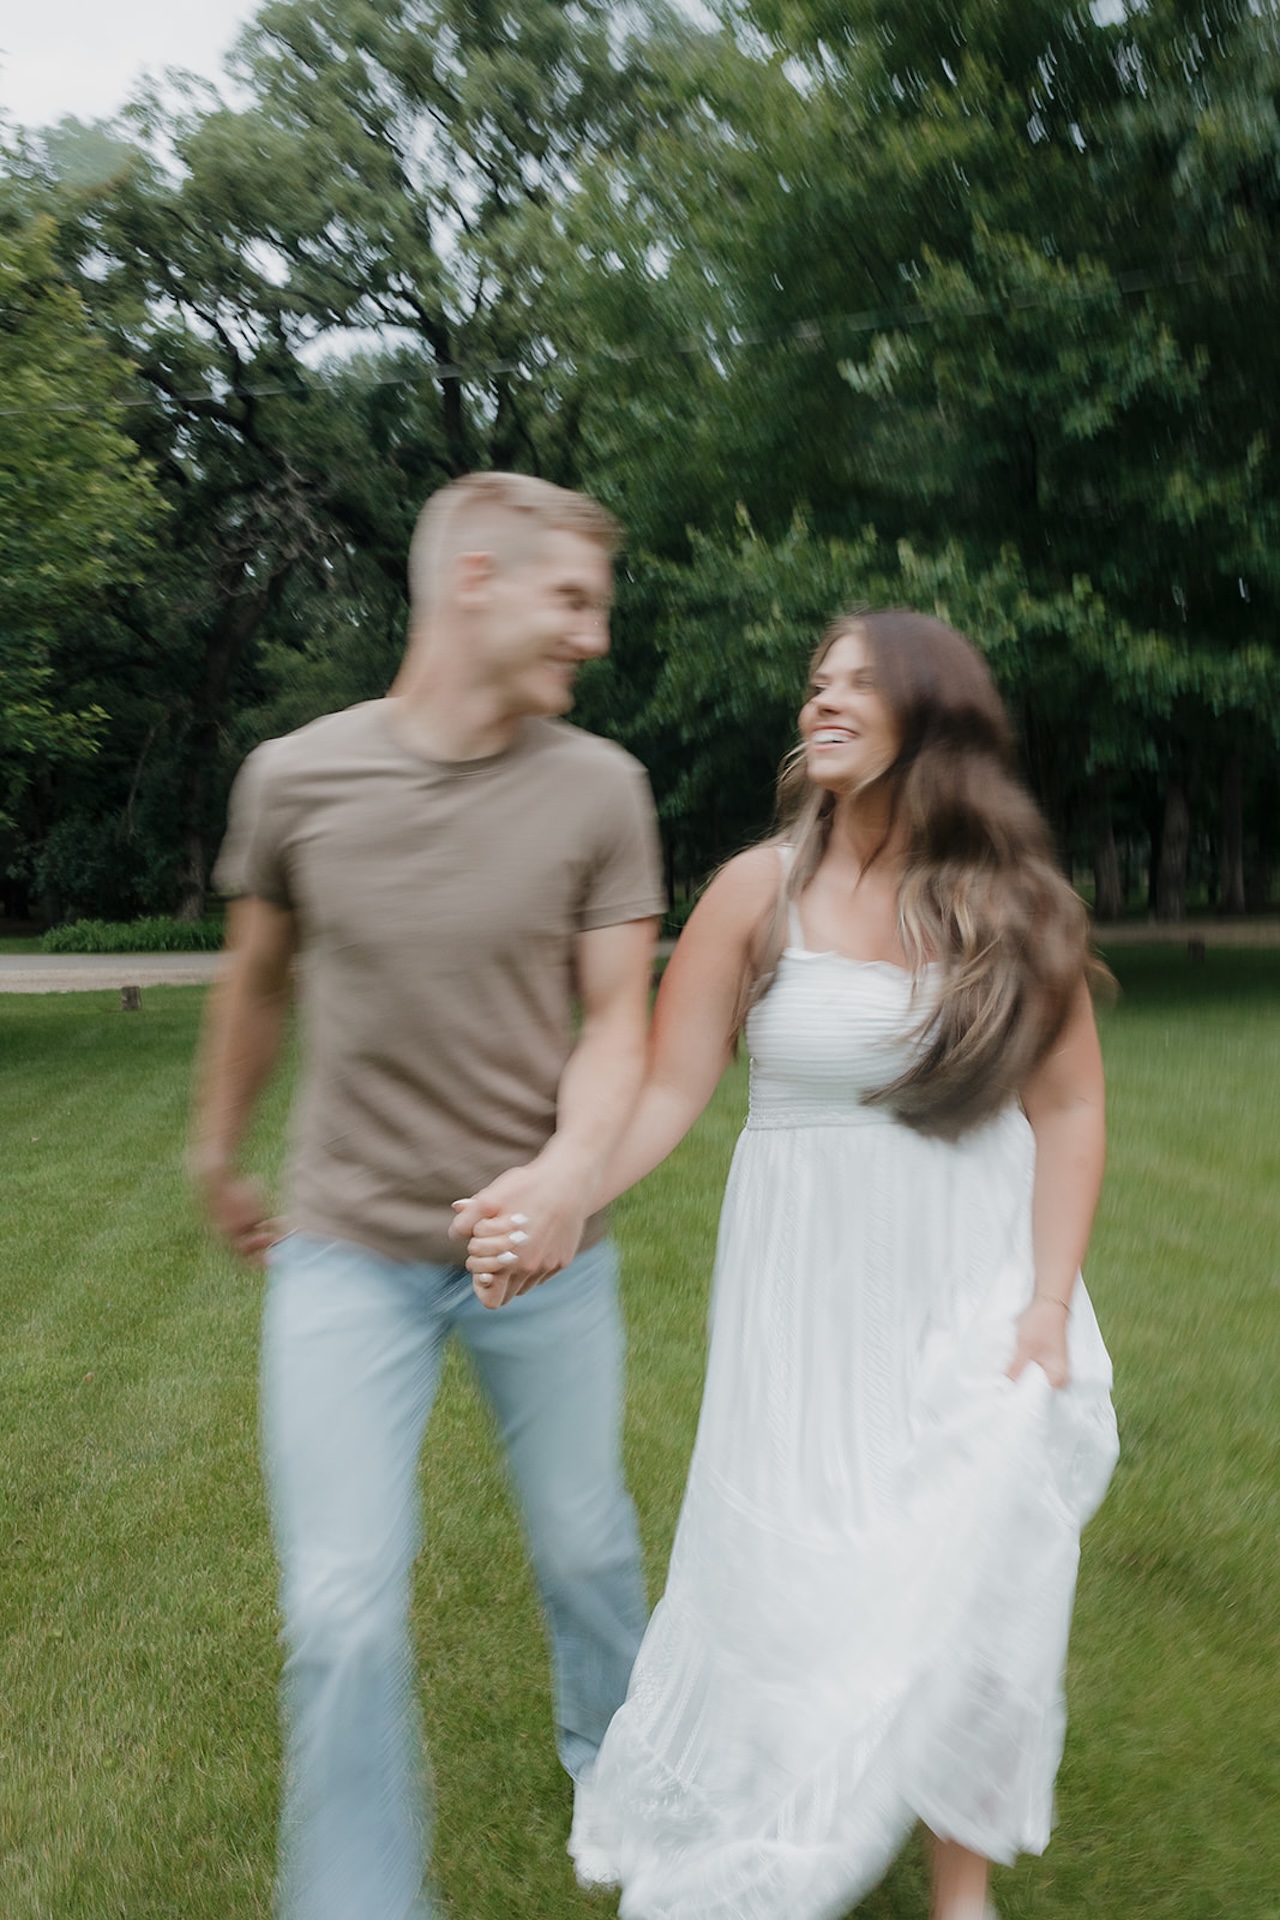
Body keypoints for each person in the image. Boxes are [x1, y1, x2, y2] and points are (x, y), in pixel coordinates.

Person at [465, 609, 1120, 1920]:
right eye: (815, 685)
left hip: (973, 1282)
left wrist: (1049, 1303)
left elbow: (1072, 1110)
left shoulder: (1016, 909)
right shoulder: (758, 894)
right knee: (807, 1562)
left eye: (857, 686)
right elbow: (664, 1095)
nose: (821, 703)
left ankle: (960, 1882)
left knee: (979, 1561)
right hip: (807, 1301)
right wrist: (559, 1192)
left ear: (932, 717)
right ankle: (778, 1795)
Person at [190, 471, 667, 1920]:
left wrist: (567, 1182)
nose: (592, 637)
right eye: (570, 599)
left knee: (587, 1546)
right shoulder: (294, 777)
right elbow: (258, 977)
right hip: (347, 1254)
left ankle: (624, 1775)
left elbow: (620, 1029)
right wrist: (217, 1145)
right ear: (474, 578)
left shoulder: (604, 789)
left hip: (546, 1257)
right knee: (337, 1609)